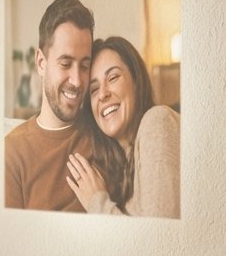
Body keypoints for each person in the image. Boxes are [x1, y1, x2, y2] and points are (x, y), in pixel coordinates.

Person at [65, 35, 180, 217]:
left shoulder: (157, 121)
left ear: (136, 80)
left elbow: (159, 239)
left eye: (113, 77)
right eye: (94, 89)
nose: (102, 94)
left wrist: (97, 202)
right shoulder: (123, 167)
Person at [5, 0, 95, 211]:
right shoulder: (13, 152)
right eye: (65, 63)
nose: (76, 80)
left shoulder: (104, 133)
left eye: (84, 66)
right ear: (41, 63)